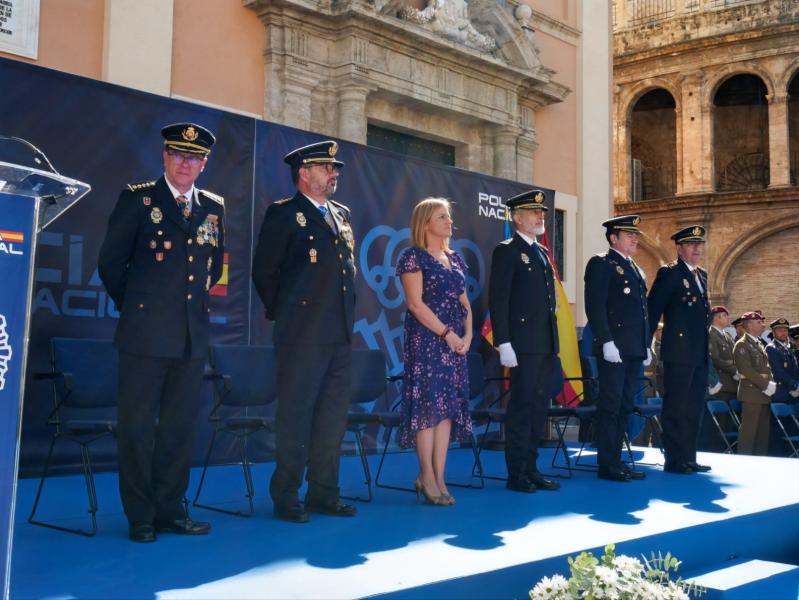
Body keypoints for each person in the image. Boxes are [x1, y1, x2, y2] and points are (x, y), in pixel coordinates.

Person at [98, 123, 224, 542]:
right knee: (137, 428)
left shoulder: (212, 207)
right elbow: (111, 264)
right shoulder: (138, 200)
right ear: (164, 157)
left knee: (177, 428)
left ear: (204, 165)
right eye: (178, 154)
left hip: (190, 337)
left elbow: (215, 268)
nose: (186, 163)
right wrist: (138, 310)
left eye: (194, 158)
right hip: (144, 336)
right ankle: (141, 516)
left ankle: (172, 509)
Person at [252, 140, 357, 523]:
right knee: (296, 417)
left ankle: (324, 493)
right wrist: (291, 315)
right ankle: (287, 496)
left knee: (332, 419)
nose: (334, 174)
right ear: (304, 173)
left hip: (339, 335)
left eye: (335, 170)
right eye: (326, 168)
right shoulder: (285, 215)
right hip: (301, 334)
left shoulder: (341, 215)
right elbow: (264, 272)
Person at [395, 198, 473, 506]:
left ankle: (440, 477)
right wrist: (447, 333)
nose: (449, 221)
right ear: (425, 223)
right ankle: (425, 475)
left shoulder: (455, 259)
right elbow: (415, 305)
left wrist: (466, 335)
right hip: (427, 341)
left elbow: (465, 303)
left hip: (454, 344)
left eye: (449, 216)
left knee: (446, 412)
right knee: (428, 409)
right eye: (442, 216)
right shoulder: (413, 257)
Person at [488, 189, 560, 493]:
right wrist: (503, 341)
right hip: (522, 345)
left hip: (544, 344)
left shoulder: (541, 252)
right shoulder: (507, 250)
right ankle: (516, 473)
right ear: (517, 218)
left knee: (539, 408)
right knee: (521, 407)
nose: (540, 216)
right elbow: (499, 299)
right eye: (534, 212)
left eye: (541, 212)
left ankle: (532, 467)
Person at [583, 215, 649, 482]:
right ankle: (607, 464)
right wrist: (606, 340)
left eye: (636, 235)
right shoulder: (602, 263)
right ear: (613, 238)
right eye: (628, 234)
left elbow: (642, 312)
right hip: (614, 347)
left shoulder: (634, 267)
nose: (635, 238)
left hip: (633, 348)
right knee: (610, 405)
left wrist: (646, 345)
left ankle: (618, 460)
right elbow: (595, 306)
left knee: (625, 405)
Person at [646, 225, 712, 474]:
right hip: (678, 352)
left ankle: (689, 457)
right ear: (680, 247)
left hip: (698, 352)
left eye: (699, 244)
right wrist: (646, 344)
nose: (697, 248)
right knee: (676, 407)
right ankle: (674, 460)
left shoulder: (702, 275)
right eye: (691, 244)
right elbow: (653, 311)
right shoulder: (670, 273)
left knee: (694, 406)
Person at [733, 312, 777, 455]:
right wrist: (766, 385)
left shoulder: (758, 343)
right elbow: (746, 369)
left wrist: (770, 383)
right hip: (751, 393)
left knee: (762, 434)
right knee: (749, 433)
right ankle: (744, 462)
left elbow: (766, 368)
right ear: (750, 325)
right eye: (759, 322)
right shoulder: (742, 345)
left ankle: (760, 462)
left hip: (764, 394)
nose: (763, 324)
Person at [765, 318, 799, 404]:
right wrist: (794, 385)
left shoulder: (787, 348)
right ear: (773, 332)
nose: (783, 333)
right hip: (781, 393)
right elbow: (778, 372)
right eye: (780, 330)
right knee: (782, 417)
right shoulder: (771, 348)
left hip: (792, 393)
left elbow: (794, 370)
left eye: (785, 330)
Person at [708, 306, 738, 400]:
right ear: (716, 318)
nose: (728, 318)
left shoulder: (727, 335)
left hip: (733, 383)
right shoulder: (711, 334)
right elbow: (715, 359)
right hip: (722, 384)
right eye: (725, 316)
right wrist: (734, 370)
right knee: (723, 414)